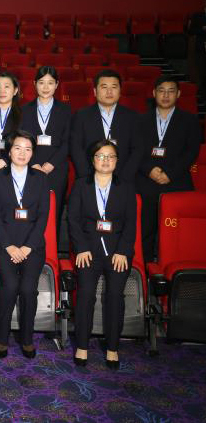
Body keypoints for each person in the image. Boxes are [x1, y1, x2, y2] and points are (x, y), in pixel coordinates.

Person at [68, 140, 137, 370]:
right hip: (88, 250)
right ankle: (82, 345)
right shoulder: (81, 185)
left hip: (118, 252)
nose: (105, 160)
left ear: (116, 161)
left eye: (110, 156)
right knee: (86, 294)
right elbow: (73, 220)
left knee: (115, 296)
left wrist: (123, 251)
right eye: (100, 155)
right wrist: (81, 248)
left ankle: (112, 348)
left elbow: (131, 223)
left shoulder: (126, 187)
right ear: (93, 159)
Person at [0, 130, 49, 359]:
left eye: (28, 149)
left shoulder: (40, 178)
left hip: (32, 245)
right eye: (17, 148)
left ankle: (27, 338)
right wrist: (9, 247)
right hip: (3, 244)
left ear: (33, 153)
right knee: (10, 286)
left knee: (28, 289)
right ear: (9, 151)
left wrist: (27, 247)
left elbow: (43, 217)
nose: (22, 153)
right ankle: (2, 337)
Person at [136, 76, 201, 262]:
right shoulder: (140, 120)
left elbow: (191, 151)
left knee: (176, 235)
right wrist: (149, 170)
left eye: (171, 91)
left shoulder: (190, 120)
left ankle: (172, 270)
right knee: (145, 231)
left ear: (178, 94)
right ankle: (146, 268)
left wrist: (170, 174)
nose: (166, 95)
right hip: (146, 182)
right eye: (161, 91)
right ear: (154, 93)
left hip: (176, 182)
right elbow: (135, 149)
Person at [20, 66, 70, 235]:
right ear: (35, 84)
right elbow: (21, 140)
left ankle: (52, 250)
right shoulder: (24, 110)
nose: (46, 87)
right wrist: (33, 163)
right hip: (30, 167)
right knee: (30, 212)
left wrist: (50, 165)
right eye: (41, 82)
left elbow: (67, 142)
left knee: (54, 213)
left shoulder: (66, 110)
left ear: (57, 85)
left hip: (56, 169)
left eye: (50, 83)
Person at [70, 69, 141, 182]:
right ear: (95, 91)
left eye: (114, 87)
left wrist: (124, 178)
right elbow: (76, 149)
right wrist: (88, 177)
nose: (109, 91)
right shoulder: (81, 116)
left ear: (120, 91)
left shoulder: (133, 117)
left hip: (123, 180)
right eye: (104, 87)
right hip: (89, 179)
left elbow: (137, 150)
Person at [189, 0, 206, 98]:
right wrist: (203, 29)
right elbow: (191, 31)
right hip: (201, 48)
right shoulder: (197, 16)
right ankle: (202, 94)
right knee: (202, 72)